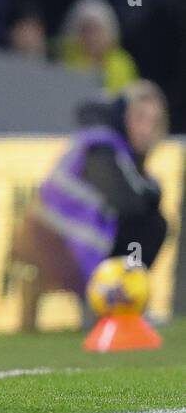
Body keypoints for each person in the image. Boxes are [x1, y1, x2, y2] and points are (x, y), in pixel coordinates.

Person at [12, 81, 170, 329]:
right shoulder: (101, 146)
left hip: (61, 242)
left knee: (149, 223)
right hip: (51, 244)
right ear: (122, 115)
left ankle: (121, 304)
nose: (146, 129)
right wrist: (151, 191)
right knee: (151, 225)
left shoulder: (109, 146)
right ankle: (119, 305)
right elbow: (126, 203)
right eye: (140, 118)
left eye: (154, 122)